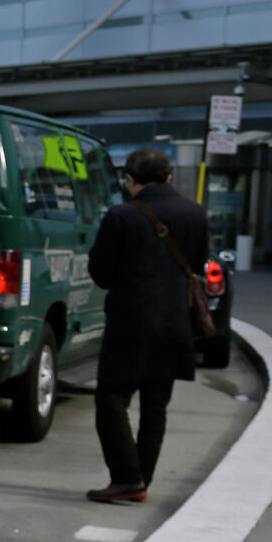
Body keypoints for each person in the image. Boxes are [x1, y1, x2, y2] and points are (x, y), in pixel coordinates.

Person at [86, 146, 207, 504]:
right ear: (169, 177)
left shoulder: (121, 215)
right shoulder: (195, 213)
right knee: (155, 406)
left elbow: (102, 275)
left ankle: (127, 478)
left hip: (130, 322)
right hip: (174, 323)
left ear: (130, 179)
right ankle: (140, 479)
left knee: (111, 399)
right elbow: (198, 262)